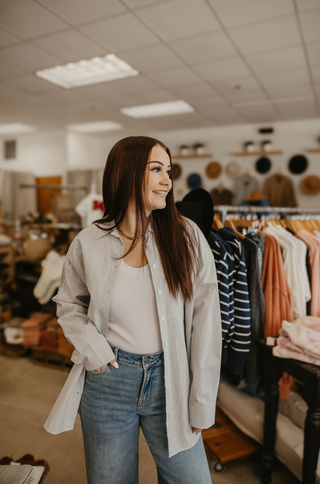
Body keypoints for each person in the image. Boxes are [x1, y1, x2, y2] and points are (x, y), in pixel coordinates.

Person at [44, 136, 221, 484]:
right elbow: (68, 305)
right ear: (125, 173)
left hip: (171, 380)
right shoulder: (88, 242)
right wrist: (94, 351)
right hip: (108, 384)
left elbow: (206, 322)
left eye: (168, 171)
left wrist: (202, 400)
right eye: (156, 170)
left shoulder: (188, 236)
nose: (168, 181)